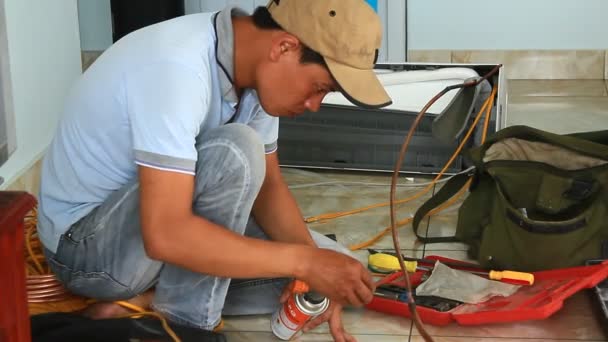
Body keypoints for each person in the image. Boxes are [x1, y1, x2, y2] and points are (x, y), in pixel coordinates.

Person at [38, 0, 392, 341]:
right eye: (318, 89)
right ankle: (186, 327)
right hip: (88, 252)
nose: (314, 106)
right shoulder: (177, 67)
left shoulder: (256, 76)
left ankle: (142, 304)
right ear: (284, 47)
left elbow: (268, 187)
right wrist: (303, 261)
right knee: (236, 152)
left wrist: (315, 271)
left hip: (156, 234)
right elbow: (165, 234)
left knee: (341, 271)